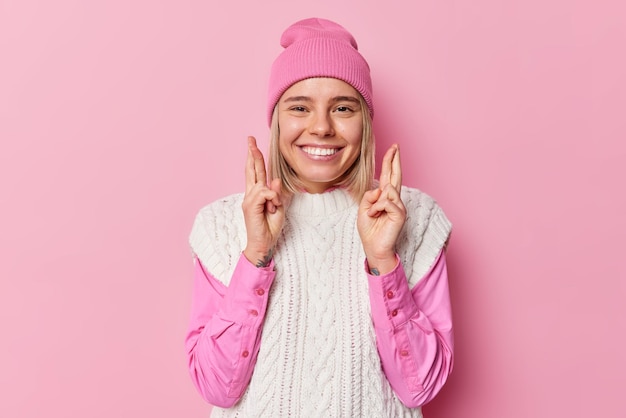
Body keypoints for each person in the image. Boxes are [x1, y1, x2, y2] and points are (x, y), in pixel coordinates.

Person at [185, 17, 453, 418]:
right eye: (300, 107)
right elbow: (217, 387)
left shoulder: (415, 219)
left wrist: (383, 261)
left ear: (365, 121)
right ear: (277, 121)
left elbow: (421, 387)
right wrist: (256, 254)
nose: (322, 127)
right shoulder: (222, 225)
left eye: (342, 108)